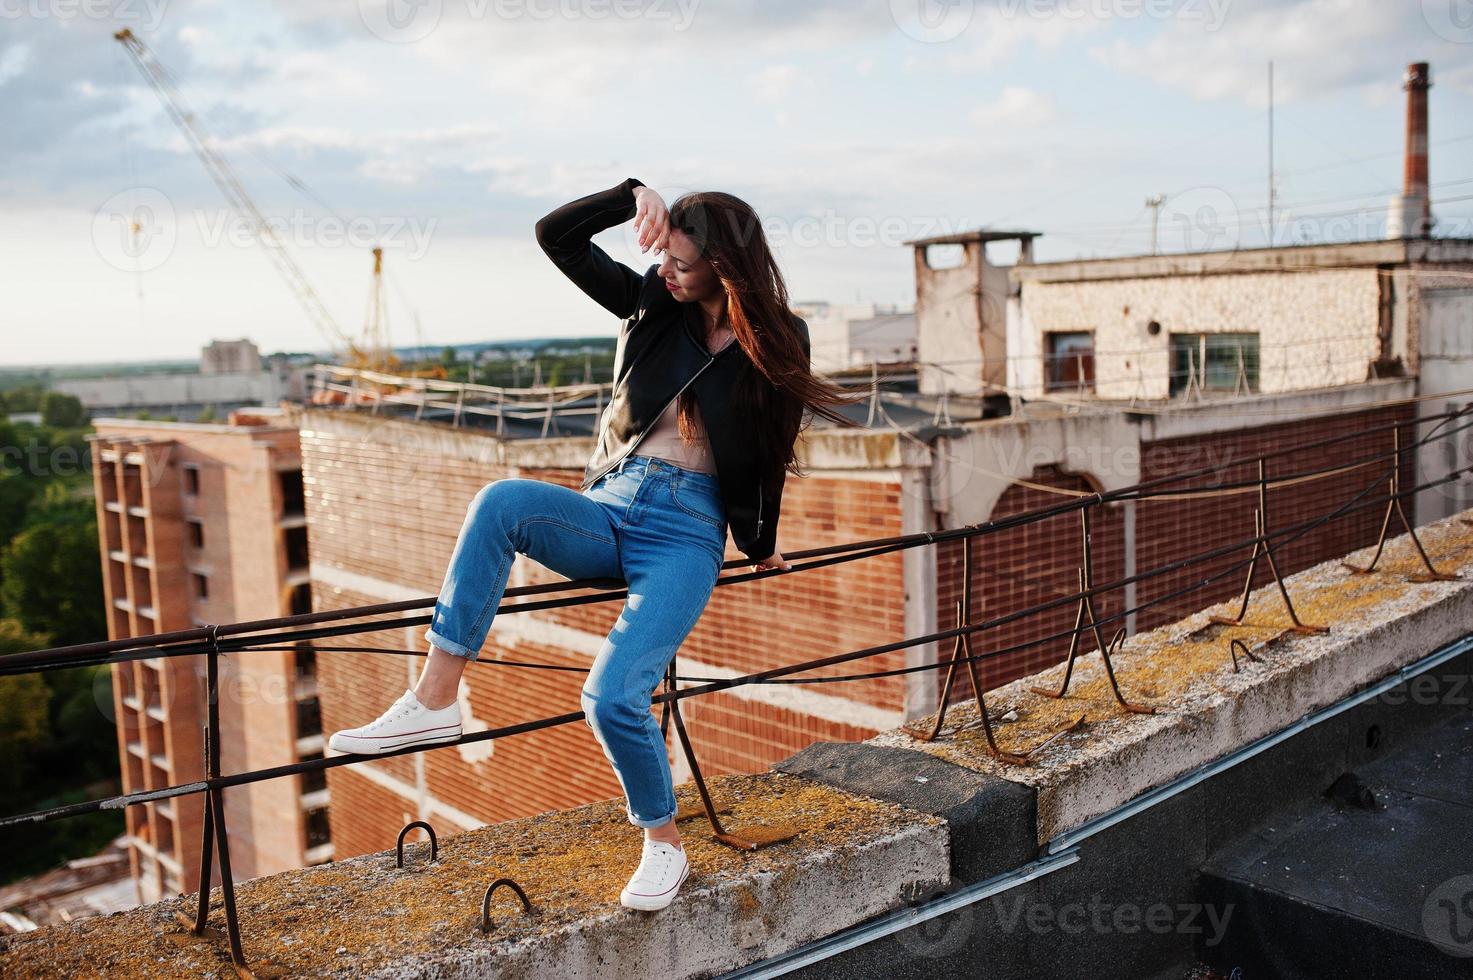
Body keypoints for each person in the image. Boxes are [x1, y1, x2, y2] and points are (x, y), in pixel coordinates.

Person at [328, 177, 862, 911]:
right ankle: (434, 698)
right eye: (663, 257)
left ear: (724, 265)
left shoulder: (777, 337)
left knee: (611, 696)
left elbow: (770, 450)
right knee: (501, 502)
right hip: (610, 507)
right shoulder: (646, 302)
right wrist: (629, 195)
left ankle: (663, 845)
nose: (665, 271)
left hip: (687, 534)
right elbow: (556, 237)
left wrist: (758, 541)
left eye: (680, 262)